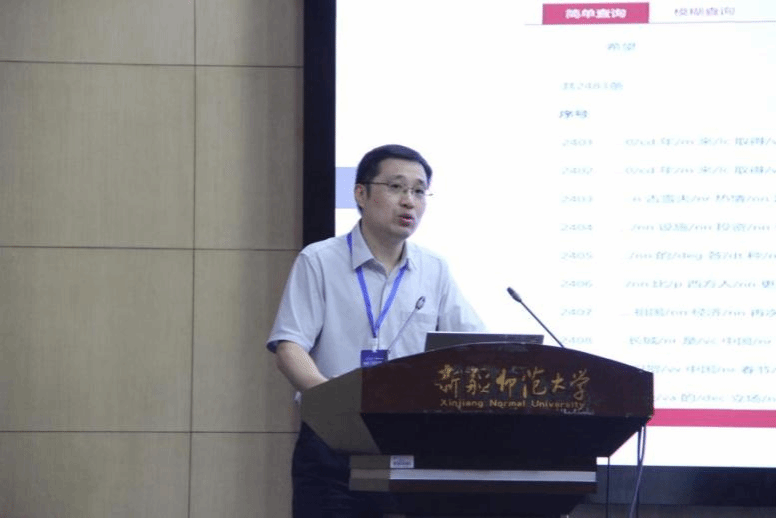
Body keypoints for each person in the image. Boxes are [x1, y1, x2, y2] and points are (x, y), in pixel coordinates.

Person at [267, 144, 485, 517]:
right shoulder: (319, 260)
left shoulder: (434, 270)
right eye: (396, 187)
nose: (409, 201)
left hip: (410, 441)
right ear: (361, 194)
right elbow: (290, 347)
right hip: (332, 444)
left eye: (419, 191)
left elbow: (473, 347)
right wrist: (335, 404)